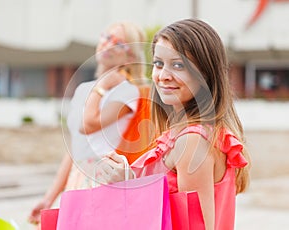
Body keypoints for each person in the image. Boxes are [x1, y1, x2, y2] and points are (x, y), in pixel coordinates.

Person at [98, 18, 251, 230]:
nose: (163, 76)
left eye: (178, 65)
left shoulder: (192, 141)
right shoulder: (187, 134)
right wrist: (128, 178)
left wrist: (126, 187)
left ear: (205, 74)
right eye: (158, 63)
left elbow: (193, 226)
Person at [28, 21, 149, 227]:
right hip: (78, 178)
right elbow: (75, 148)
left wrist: (100, 88)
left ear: (130, 56)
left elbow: (88, 125)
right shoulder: (84, 89)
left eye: (117, 42)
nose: (107, 44)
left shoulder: (128, 91)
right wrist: (50, 197)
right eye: (105, 37)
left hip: (104, 178)